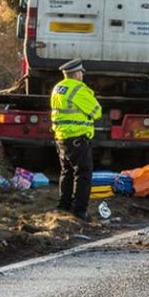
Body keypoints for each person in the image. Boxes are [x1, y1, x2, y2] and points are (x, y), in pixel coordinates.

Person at [50, 59, 102, 221]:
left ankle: (63, 206)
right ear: (77, 74)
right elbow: (96, 111)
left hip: (61, 136)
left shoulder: (58, 87)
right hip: (77, 137)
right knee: (83, 174)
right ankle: (79, 211)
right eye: (81, 73)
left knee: (67, 172)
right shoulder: (78, 89)